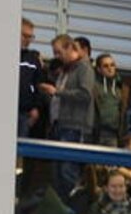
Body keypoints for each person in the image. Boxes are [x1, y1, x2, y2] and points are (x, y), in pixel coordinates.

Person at [38, 34, 95, 200]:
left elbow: (86, 95)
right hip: (60, 125)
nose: (57, 56)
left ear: (71, 48)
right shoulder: (66, 70)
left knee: (67, 171)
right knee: (57, 172)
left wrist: (57, 92)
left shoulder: (84, 68)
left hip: (75, 126)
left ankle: (73, 209)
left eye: (58, 52)